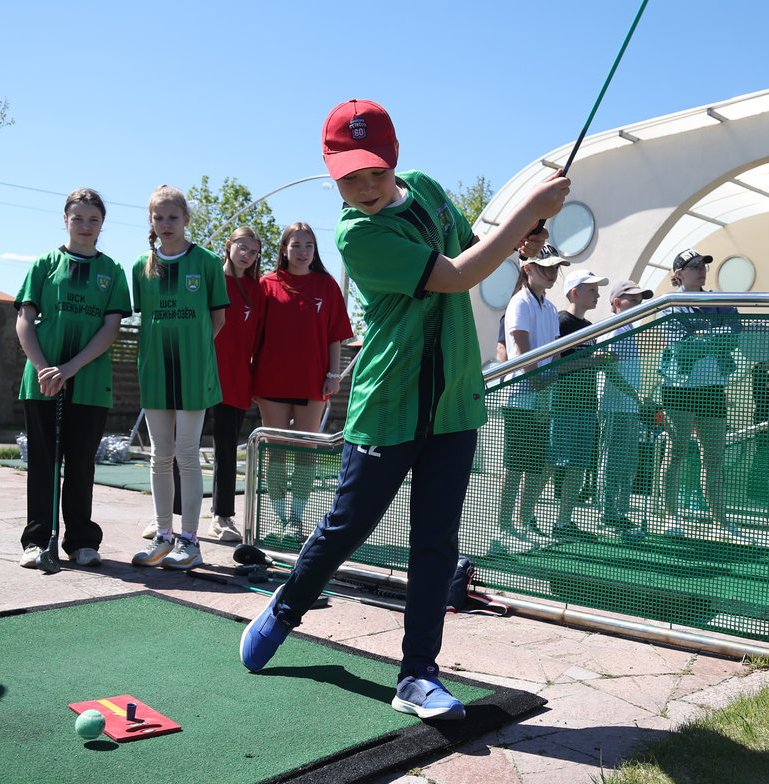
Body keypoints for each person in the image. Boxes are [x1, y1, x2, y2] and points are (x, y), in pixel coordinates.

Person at [239, 98, 568, 722]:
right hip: (389, 401)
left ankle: (417, 674)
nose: (364, 187)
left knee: (436, 540)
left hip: (454, 402)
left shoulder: (427, 191)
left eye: (376, 171)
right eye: (349, 175)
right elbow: (456, 273)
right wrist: (527, 208)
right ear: (331, 173)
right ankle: (286, 607)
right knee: (347, 527)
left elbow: (476, 246)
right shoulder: (356, 233)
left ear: (396, 161)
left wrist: (526, 237)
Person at [15, 189, 132, 569]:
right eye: (78, 218)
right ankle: (36, 541)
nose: (85, 226)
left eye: (93, 219)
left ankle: (81, 540)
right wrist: (44, 367)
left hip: (90, 381)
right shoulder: (44, 263)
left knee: (81, 463)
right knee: (44, 462)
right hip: (43, 381)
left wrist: (71, 367)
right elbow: (24, 321)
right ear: (65, 219)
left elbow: (111, 327)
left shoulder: (111, 270)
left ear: (101, 224)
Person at [131, 185, 228, 570]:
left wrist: (195, 351)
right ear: (151, 221)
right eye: (159, 217)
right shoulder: (141, 265)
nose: (166, 224)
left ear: (186, 219)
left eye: (173, 217)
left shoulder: (205, 262)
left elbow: (217, 318)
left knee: (187, 456)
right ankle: (163, 536)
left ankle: (191, 541)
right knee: (159, 456)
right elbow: (146, 316)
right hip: (155, 373)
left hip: (193, 374)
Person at [252, 222, 355, 543]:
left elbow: (335, 335)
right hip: (271, 381)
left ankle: (296, 520)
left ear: (315, 250)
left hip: (313, 381)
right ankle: (280, 519)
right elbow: (253, 334)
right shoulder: (267, 284)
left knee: (307, 451)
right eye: (296, 245)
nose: (302, 251)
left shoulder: (326, 285)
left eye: (308, 245)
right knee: (277, 452)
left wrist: (332, 375)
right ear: (284, 249)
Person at [657, 248, 747, 542]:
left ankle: (720, 520)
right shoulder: (670, 304)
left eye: (703, 266)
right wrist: (715, 338)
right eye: (694, 266)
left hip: (713, 389)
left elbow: (736, 336)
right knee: (677, 450)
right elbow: (681, 345)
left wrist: (702, 338)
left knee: (715, 458)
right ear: (679, 274)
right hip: (678, 390)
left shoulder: (720, 301)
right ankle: (670, 516)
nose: (701, 270)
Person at [491, 245, 569, 554]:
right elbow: (521, 354)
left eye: (554, 267)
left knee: (535, 467)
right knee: (515, 467)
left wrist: (547, 390)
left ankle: (522, 528)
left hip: (543, 397)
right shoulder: (519, 302)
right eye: (545, 266)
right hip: (521, 400)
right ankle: (503, 532)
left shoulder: (549, 307)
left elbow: (553, 355)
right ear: (528, 269)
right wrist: (542, 384)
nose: (552, 272)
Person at [208, 226, 265, 543]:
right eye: (242, 247)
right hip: (200, 377)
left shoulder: (257, 291)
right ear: (228, 246)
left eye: (253, 251)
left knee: (227, 450)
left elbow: (260, 341)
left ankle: (221, 516)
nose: (247, 255)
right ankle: (167, 517)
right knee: (182, 447)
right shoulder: (209, 280)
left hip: (237, 380)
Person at [547, 269, 611, 540]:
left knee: (579, 466)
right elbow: (556, 364)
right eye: (592, 290)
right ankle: (525, 519)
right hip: (563, 406)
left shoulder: (589, 327)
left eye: (598, 290)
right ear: (575, 293)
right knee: (550, 464)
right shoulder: (561, 321)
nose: (598, 295)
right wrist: (594, 361)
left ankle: (563, 523)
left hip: (587, 406)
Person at [597, 279, 652, 537]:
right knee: (613, 461)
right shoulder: (616, 329)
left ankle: (618, 512)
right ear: (617, 303)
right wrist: (636, 395)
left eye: (640, 301)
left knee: (627, 461)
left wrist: (637, 397)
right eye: (633, 300)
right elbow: (609, 369)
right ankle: (608, 514)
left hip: (628, 407)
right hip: (615, 407)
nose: (638, 305)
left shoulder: (627, 328)